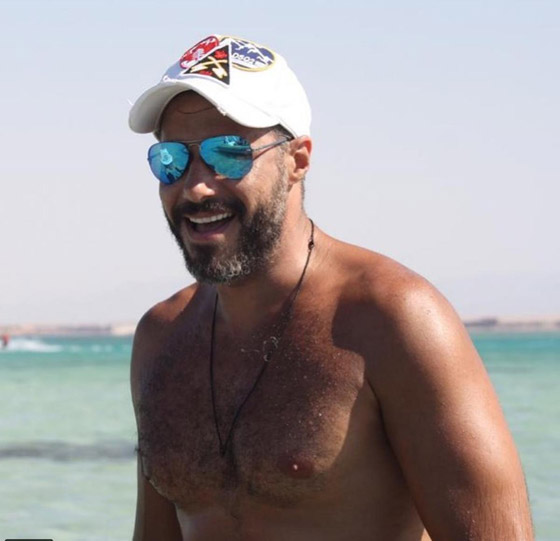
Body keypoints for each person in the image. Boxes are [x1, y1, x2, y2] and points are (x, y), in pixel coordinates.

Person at [128, 35, 533, 541]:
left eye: (228, 154)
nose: (196, 186)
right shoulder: (161, 338)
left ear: (297, 160)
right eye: (171, 159)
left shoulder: (391, 318)